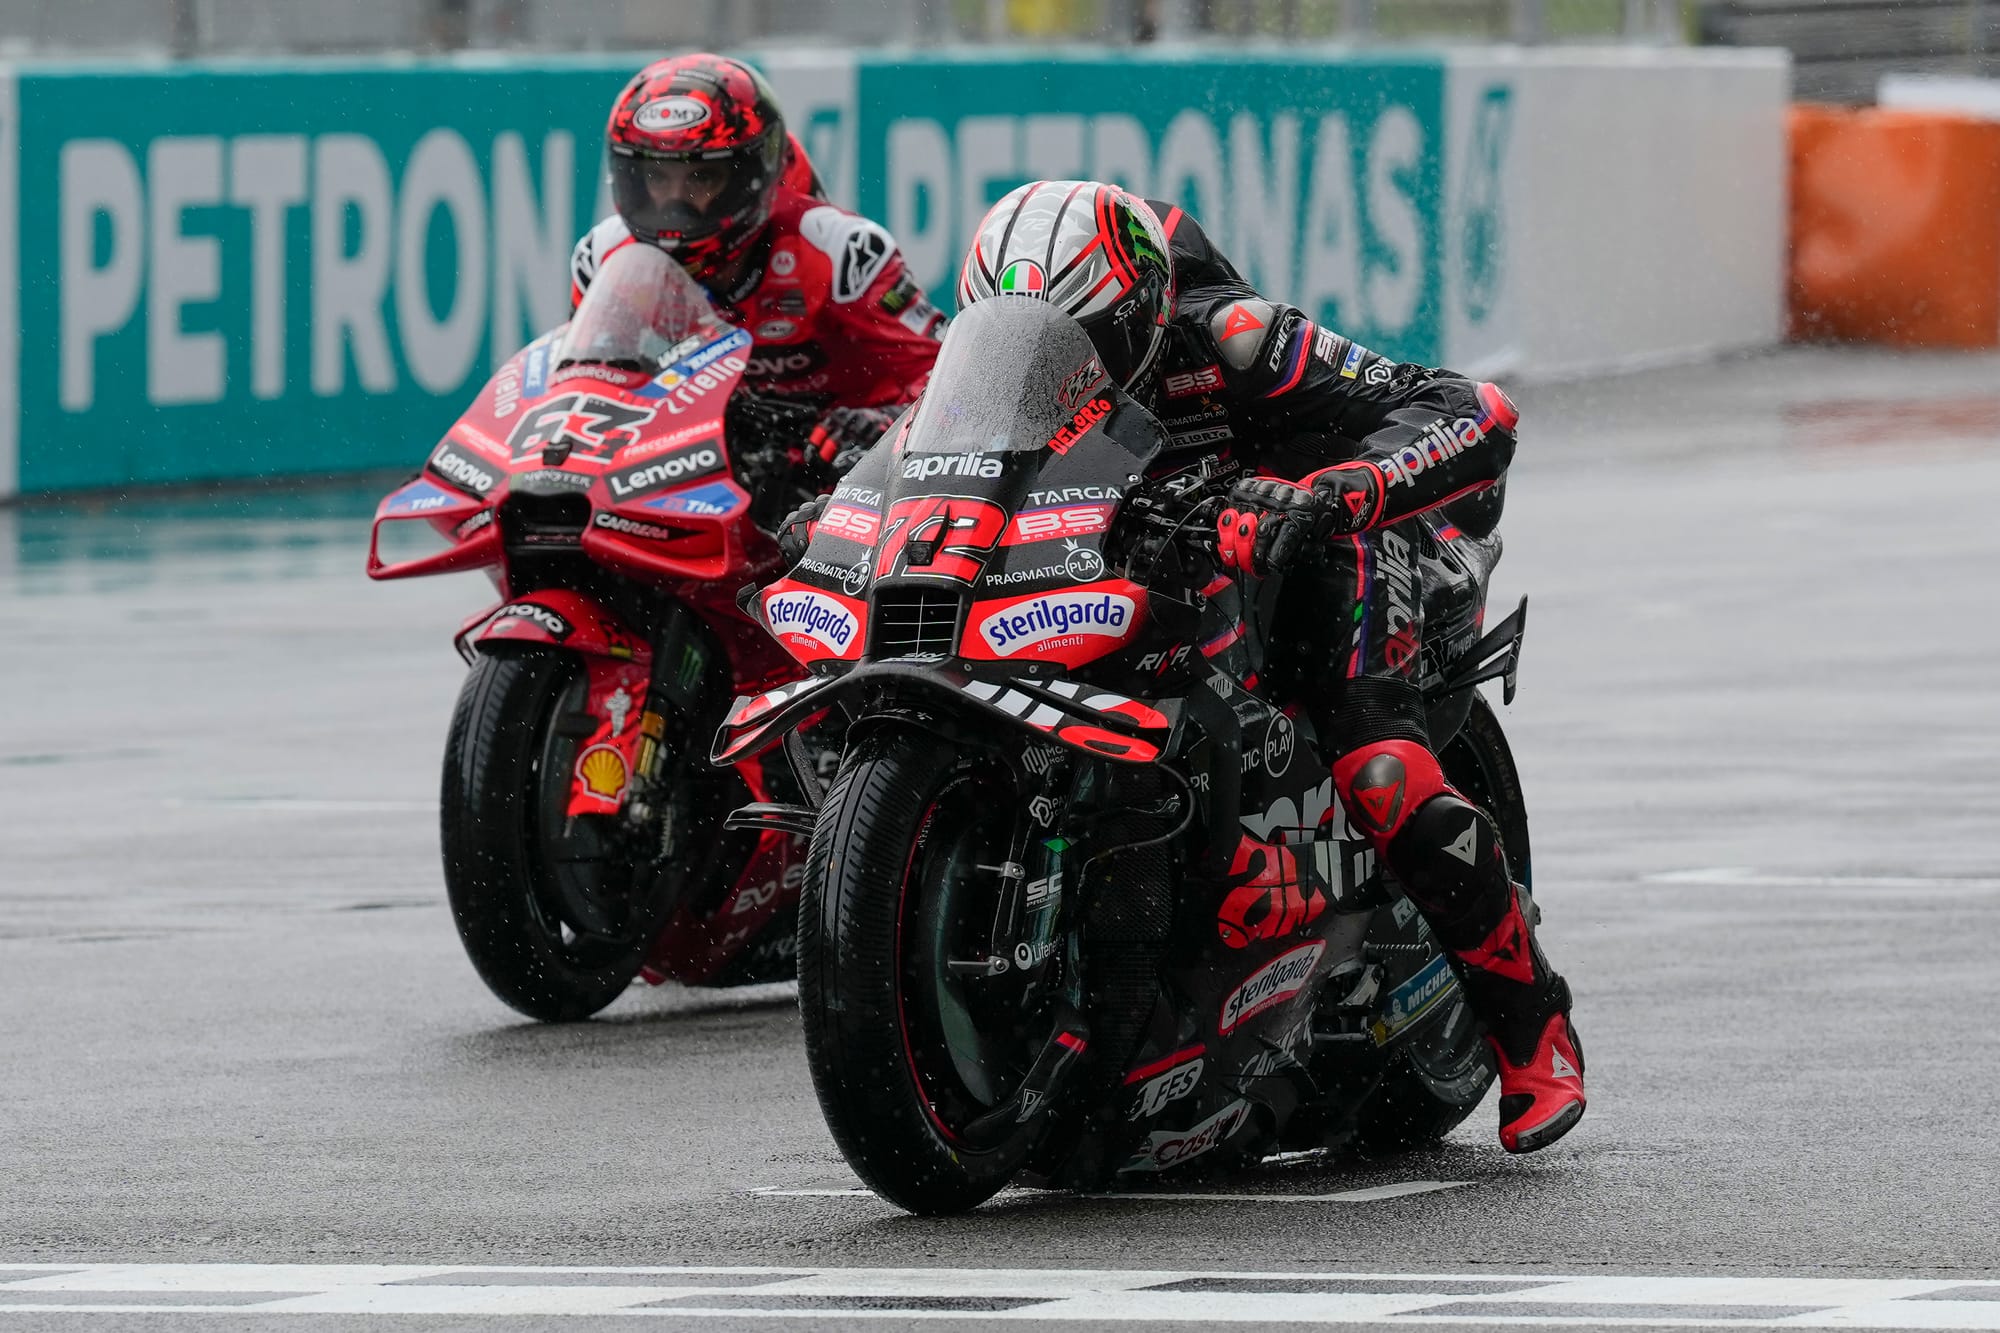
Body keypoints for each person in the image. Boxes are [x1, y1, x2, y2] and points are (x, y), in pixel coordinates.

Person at [948, 181, 1584, 1154]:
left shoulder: (1234, 337)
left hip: (1327, 539)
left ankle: (1533, 1028)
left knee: (1380, 767)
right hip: (1144, 562)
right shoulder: (1001, 367)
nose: (1058, 372)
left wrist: (1334, 490)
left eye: (1088, 344)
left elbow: (1469, 407)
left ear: (1140, 315)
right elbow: (919, 456)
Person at [568, 53, 945, 472]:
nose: (674, 203)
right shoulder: (604, 256)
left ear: (749, 174)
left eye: (701, 177)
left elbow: (956, 387)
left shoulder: (839, 250)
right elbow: (581, 396)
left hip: (839, 484)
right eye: (656, 177)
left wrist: (884, 425)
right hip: (689, 479)